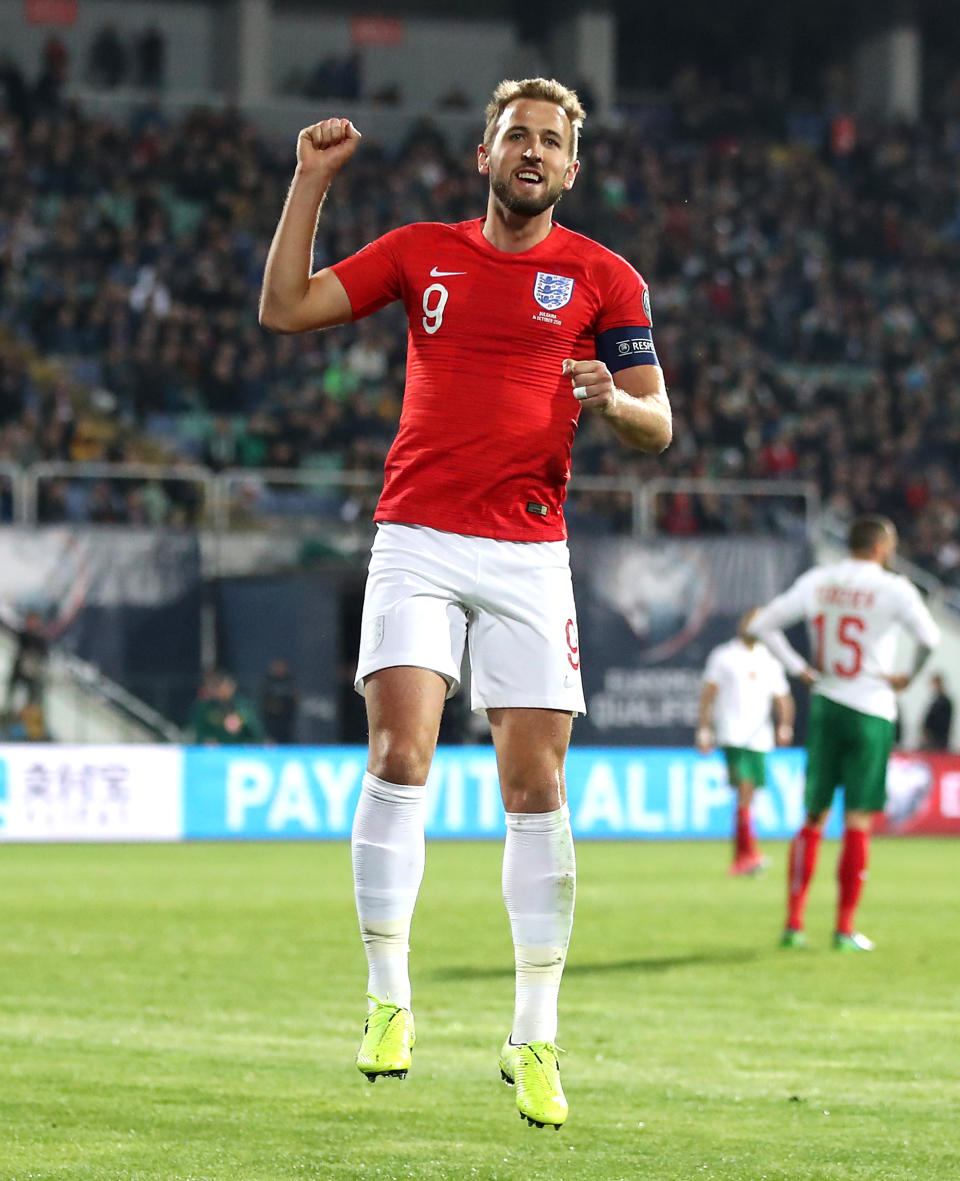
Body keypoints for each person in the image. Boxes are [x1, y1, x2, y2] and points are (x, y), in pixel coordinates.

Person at [259, 77, 672, 1129]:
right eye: (515, 136)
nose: (531, 151)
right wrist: (309, 181)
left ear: (572, 169)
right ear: (484, 153)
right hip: (418, 538)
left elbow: (658, 425)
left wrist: (611, 400)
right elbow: (285, 307)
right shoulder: (419, 251)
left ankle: (534, 1033)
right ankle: (388, 1001)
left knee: (534, 783)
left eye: (550, 142)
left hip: (531, 549)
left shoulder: (605, 277)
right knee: (400, 756)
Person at [749, 515, 940, 952]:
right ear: (882, 547)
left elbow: (762, 624)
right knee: (858, 819)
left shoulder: (821, 579)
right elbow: (929, 638)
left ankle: (794, 924)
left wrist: (801, 669)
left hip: (828, 704)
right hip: (872, 708)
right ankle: (843, 928)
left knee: (813, 816)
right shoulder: (895, 588)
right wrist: (907, 676)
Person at [697, 608, 794, 876]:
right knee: (745, 788)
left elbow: (783, 697)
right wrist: (704, 730)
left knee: (749, 796)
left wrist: (784, 726)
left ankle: (743, 857)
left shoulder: (768, 660)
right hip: (732, 733)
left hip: (759, 737)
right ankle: (747, 855)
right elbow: (709, 693)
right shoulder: (724, 656)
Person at [186, 670, 266, 745]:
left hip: (240, 750)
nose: (224, 691)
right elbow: (198, 730)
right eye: (220, 687)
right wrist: (207, 740)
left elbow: (256, 730)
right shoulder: (205, 708)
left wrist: (241, 724)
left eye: (228, 687)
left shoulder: (243, 707)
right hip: (215, 751)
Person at [920, 673, 953, 751]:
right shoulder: (936, 700)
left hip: (937, 739)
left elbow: (939, 721)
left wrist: (929, 733)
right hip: (934, 738)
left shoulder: (943, 701)